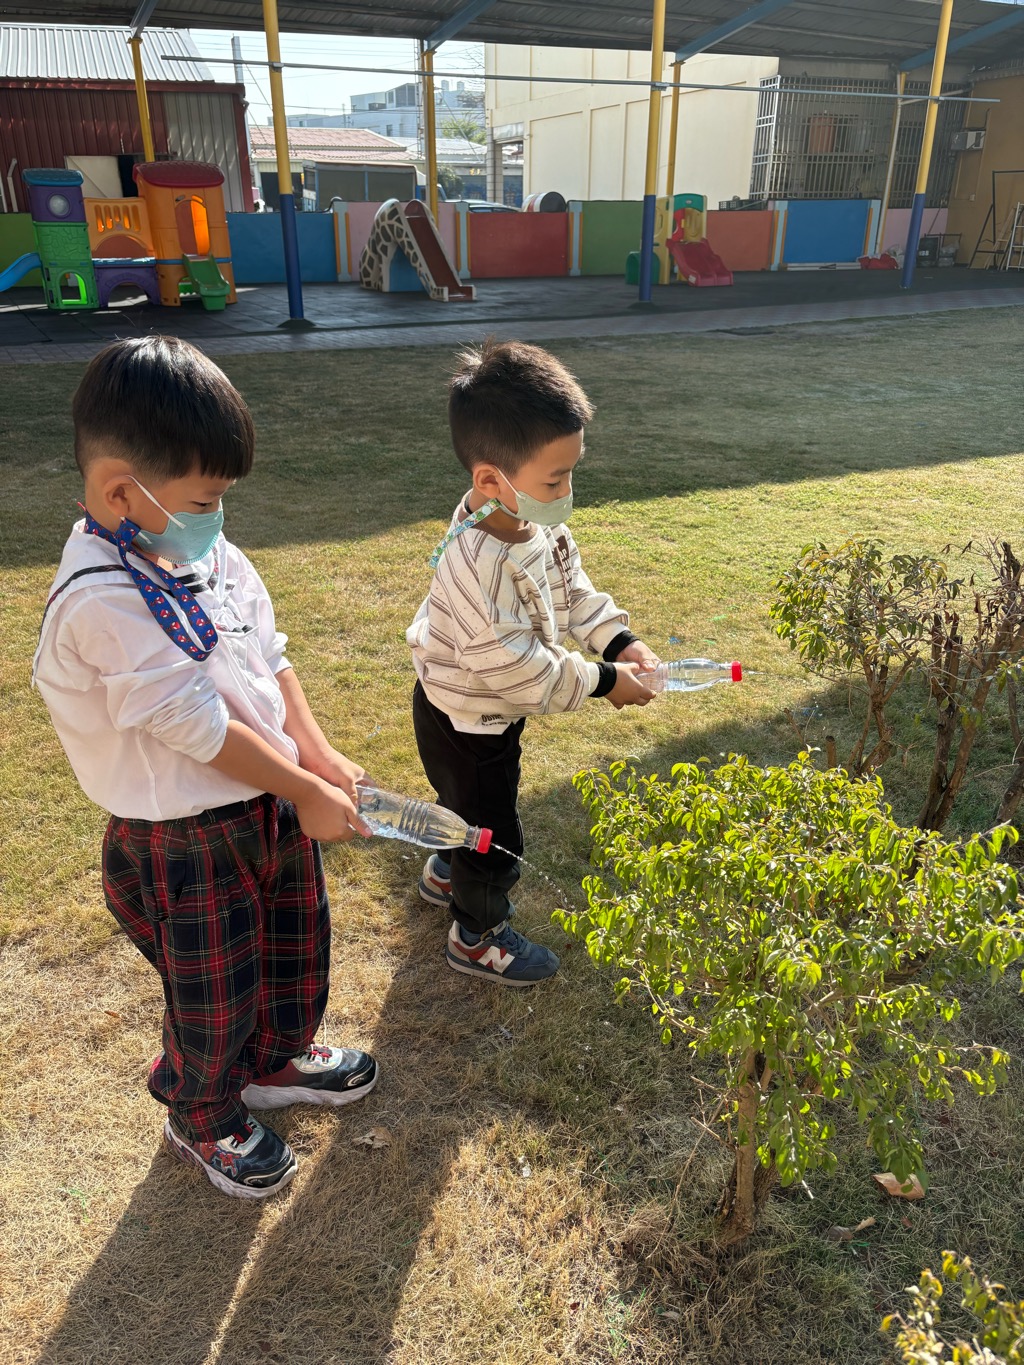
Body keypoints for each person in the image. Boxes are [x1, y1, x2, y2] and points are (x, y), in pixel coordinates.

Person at [33, 337, 377, 1201]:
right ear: (121, 492)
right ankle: (202, 1110)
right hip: (182, 841)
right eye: (204, 500)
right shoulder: (100, 597)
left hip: (267, 800)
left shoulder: (200, 551)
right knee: (212, 993)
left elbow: (270, 654)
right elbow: (196, 723)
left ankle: (278, 1058)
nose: (216, 517)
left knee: (297, 946)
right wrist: (304, 787)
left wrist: (316, 754)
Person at [407, 340, 659, 988]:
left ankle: (446, 870)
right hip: (467, 718)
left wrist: (618, 641)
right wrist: (605, 681)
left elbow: (573, 591)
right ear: (491, 480)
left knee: (466, 808)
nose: (567, 491)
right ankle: (477, 935)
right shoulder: (477, 563)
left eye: (571, 472)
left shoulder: (529, 523)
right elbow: (520, 671)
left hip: (481, 708)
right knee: (495, 836)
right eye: (554, 480)